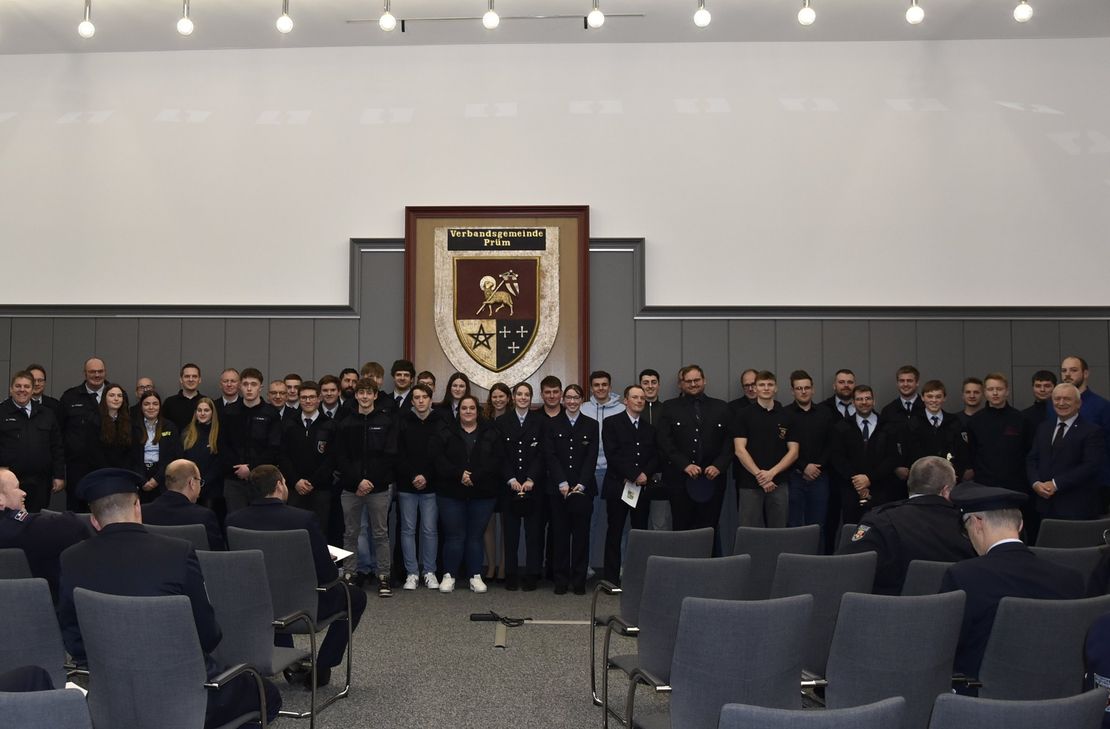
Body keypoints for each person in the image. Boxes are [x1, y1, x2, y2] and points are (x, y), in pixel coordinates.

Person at [56, 467, 281, 725]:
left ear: (94, 521)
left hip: (112, 697)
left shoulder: (70, 559)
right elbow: (208, 635)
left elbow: (73, 638)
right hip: (187, 695)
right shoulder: (177, 552)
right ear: (138, 507)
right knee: (267, 695)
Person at [225, 464, 366, 689]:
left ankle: (291, 660)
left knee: (274, 589)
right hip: (304, 606)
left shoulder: (234, 521)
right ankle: (323, 665)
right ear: (280, 485)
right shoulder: (303, 519)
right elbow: (327, 575)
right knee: (356, 597)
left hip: (257, 605)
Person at [941, 482, 1085, 679]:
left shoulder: (962, 576)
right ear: (1020, 525)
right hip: (1060, 696)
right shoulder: (1071, 579)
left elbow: (945, 648)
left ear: (977, 523)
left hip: (979, 699)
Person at [838, 456, 976, 595]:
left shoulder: (881, 521)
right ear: (946, 491)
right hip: (953, 611)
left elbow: (848, 570)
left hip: (887, 610)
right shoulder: (971, 526)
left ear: (910, 483)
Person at [656, 365, 734, 542]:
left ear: (704, 381)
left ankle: (709, 568)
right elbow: (664, 442)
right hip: (679, 479)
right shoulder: (669, 408)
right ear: (680, 384)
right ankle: (682, 567)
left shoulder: (721, 407)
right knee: (681, 528)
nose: (693, 384)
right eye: (688, 381)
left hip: (712, 478)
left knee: (709, 528)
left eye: (696, 380)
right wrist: (684, 464)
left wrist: (719, 466)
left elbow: (730, 442)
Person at [334, 378, 396, 596]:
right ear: (356, 395)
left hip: (378, 488)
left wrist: (370, 482)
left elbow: (389, 456)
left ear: (375, 395)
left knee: (380, 534)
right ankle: (350, 574)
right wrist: (357, 482)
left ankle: (383, 577)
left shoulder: (386, 421)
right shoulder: (346, 422)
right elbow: (340, 457)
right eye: (361, 393)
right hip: (351, 489)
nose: (365, 397)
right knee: (350, 533)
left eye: (369, 393)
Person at [433, 394, 500, 593]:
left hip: (483, 493)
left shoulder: (491, 431)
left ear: (477, 411)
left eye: (472, 408)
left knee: (475, 536)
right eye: (464, 408)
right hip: (450, 492)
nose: (468, 411)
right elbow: (438, 459)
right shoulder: (445, 431)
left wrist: (475, 476)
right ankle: (449, 576)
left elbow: (496, 460)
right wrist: (459, 474)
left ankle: (475, 576)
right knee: (454, 536)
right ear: (458, 411)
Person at [0, 466, 88, 599]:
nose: (23, 493)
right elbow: (73, 525)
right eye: (17, 488)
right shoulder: (19, 528)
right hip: (41, 607)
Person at [600, 384, 657, 585]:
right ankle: (611, 580)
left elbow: (654, 456)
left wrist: (644, 475)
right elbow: (613, 454)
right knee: (614, 533)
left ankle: (637, 578)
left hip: (641, 488)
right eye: (635, 397)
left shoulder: (649, 428)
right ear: (626, 400)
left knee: (639, 534)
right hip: (618, 487)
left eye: (642, 398)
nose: (639, 401)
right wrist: (633, 474)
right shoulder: (612, 423)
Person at [546, 384, 598, 594]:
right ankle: (560, 580)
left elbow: (591, 457)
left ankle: (578, 580)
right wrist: (562, 483)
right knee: (559, 535)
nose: (572, 401)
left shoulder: (591, 425)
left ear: (582, 400)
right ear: (563, 400)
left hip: (583, 489)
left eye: (576, 398)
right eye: (568, 397)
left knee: (581, 536)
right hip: (558, 490)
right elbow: (551, 455)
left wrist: (580, 484)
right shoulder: (552, 424)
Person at [1027, 382, 1106, 521]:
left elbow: (1090, 466)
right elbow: (1032, 459)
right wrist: (1036, 483)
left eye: (1067, 399)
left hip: (1077, 508)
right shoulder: (1043, 428)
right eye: (1057, 399)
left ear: (1078, 403)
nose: (1061, 403)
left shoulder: (1092, 431)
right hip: (1044, 506)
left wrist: (1056, 484)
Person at [496, 382, 547, 591]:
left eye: (527, 394)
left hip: (533, 486)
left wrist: (530, 479)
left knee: (533, 534)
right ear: (513, 397)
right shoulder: (502, 421)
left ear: (531, 398)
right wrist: (511, 479)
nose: (523, 398)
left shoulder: (541, 421)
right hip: (510, 487)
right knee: (510, 534)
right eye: (519, 394)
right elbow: (501, 454)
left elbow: (542, 454)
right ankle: (511, 575)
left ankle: (532, 575)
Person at [733, 370, 798, 528]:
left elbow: (794, 451)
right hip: (750, 482)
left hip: (779, 482)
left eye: (770, 384)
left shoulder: (787, 415)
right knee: (748, 530)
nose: (766, 388)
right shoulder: (743, 415)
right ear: (755, 388)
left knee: (779, 529)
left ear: (776, 388)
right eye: (762, 385)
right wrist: (760, 476)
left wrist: (771, 474)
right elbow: (739, 450)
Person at [829, 385, 900, 523]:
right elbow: (837, 457)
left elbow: (892, 458)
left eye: (868, 398)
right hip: (851, 489)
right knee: (852, 531)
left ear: (874, 401)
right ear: (853, 402)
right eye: (859, 399)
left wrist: (869, 478)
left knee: (879, 529)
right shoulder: (841, 427)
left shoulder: (887, 426)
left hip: (881, 488)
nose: (864, 402)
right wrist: (857, 481)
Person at [395, 383, 440, 591]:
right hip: (407, 485)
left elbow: (441, 454)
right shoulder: (403, 421)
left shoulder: (440, 421)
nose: (421, 400)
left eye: (424, 397)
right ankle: (412, 573)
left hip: (431, 486)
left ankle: (429, 571)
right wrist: (413, 475)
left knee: (430, 530)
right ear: (411, 401)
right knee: (407, 530)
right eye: (417, 397)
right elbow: (399, 454)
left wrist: (426, 476)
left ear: (431, 399)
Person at [0, 371, 64, 512]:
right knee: (10, 521)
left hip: (40, 480)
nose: (22, 390)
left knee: (36, 520)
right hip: (9, 482)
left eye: (26, 386)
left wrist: (59, 475)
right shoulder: (2, 412)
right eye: (18, 386)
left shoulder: (47, 414)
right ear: (11, 389)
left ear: (32, 389)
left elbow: (56, 446)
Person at [783, 370, 836, 535]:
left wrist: (817, 467)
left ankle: (816, 561)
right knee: (793, 525)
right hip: (793, 477)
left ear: (813, 389)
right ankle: (793, 561)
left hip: (820, 477)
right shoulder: (784, 414)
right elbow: (782, 446)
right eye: (799, 388)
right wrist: (804, 466)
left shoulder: (825, 413)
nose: (803, 391)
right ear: (792, 391)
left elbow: (831, 444)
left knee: (819, 526)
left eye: (807, 387)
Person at [221, 367, 282, 514]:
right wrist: (237, 469)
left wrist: (250, 468)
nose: (249, 388)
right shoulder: (229, 411)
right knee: (235, 521)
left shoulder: (271, 413)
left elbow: (274, 447)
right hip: (233, 478)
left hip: (262, 479)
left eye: (253, 384)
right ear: (240, 386)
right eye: (245, 384)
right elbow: (222, 444)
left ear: (260, 387)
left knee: (262, 521)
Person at [279, 380, 336, 534]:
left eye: (311, 397)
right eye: (304, 397)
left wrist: (313, 482)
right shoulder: (289, 424)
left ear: (319, 399)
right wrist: (296, 481)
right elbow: (282, 455)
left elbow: (332, 458)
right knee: (294, 532)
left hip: (320, 489)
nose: (308, 401)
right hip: (294, 488)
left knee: (320, 531)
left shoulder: (330, 425)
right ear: (299, 399)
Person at [142, 458, 225, 550]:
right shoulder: (204, 516)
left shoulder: (143, 512)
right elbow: (218, 555)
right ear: (192, 483)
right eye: (199, 482)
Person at [58, 357, 108, 510]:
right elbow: (59, 432)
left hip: (106, 466)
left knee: (105, 509)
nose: (97, 375)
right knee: (76, 511)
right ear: (85, 374)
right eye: (92, 372)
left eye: (100, 371)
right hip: (77, 467)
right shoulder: (70, 397)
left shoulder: (116, 394)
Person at [895, 379, 969, 480]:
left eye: (938, 397)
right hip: (921, 478)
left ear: (944, 398)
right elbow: (906, 451)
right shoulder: (912, 423)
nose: (934, 400)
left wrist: (957, 472)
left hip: (949, 477)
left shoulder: (954, 422)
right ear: (922, 397)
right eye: (929, 396)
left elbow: (961, 451)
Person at [481, 381, 512, 582]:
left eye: (502, 396)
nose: (498, 400)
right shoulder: (483, 419)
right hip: (488, 478)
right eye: (495, 396)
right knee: (488, 525)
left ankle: (503, 566)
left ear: (508, 398)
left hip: (508, 479)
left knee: (506, 526)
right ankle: (491, 565)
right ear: (490, 399)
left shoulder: (513, 419)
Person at [130, 390, 183, 504]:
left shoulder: (169, 426)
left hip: (162, 477)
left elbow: (173, 456)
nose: (151, 407)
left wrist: (156, 480)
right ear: (141, 406)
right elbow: (131, 457)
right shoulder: (133, 427)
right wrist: (142, 480)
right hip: (140, 477)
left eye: (155, 404)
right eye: (146, 404)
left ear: (160, 406)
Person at [638, 368, 671, 531]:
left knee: (660, 522)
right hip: (636, 475)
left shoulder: (668, 410)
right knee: (637, 522)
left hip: (661, 473)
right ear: (640, 385)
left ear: (658, 385)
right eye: (645, 383)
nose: (649, 386)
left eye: (653, 382)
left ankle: (660, 556)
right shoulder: (633, 411)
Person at [180, 397, 224, 516]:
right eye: (199, 410)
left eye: (206, 410)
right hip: (189, 486)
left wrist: (202, 482)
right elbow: (183, 459)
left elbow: (219, 463)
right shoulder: (187, 432)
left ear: (212, 413)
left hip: (212, 489)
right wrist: (193, 482)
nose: (202, 413)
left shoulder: (219, 433)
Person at [93, 383, 132, 470]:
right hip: (100, 472)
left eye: (119, 396)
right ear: (104, 398)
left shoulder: (128, 421)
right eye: (112, 395)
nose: (116, 399)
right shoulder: (95, 421)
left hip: (123, 472)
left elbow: (130, 451)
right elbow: (94, 452)